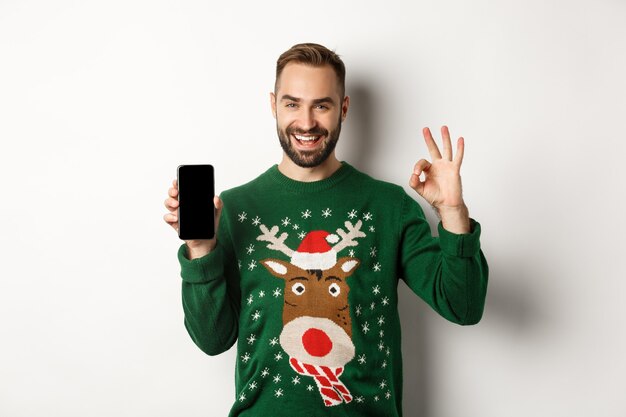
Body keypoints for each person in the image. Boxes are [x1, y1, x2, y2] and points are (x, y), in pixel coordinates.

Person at [163, 43, 488, 417]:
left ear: (343, 109)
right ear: (273, 105)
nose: (306, 122)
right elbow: (212, 339)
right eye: (292, 104)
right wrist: (202, 249)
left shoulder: (389, 207)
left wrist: (453, 213)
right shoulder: (234, 210)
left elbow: (463, 306)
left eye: (322, 105)